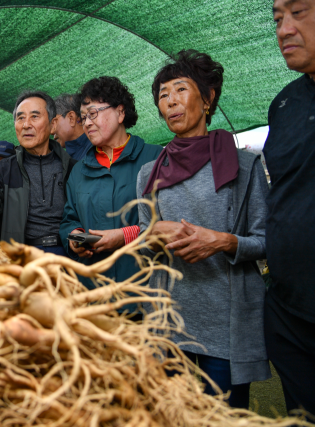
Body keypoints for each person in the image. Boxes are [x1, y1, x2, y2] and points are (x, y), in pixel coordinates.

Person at [136, 50, 270, 408]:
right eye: (163, 95)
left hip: (225, 325)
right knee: (170, 414)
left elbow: (267, 240)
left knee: (225, 415)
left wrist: (224, 241)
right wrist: (152, 236)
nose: (171, 101)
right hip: (169, 320)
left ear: (208, 99)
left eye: (181, 89)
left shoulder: (244, 166)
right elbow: (141, 240)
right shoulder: (148, 173)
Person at [59, 77, 162, 291]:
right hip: (94, 291)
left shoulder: (155, 159)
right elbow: (69, 220)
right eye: (83, 117)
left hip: (144, 290)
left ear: (120, 113)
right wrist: (76, 238)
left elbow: (172, 219)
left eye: (93, 114)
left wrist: (126, 236)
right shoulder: (78, 171)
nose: (87, 123)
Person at [263, 0, 315, 415]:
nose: (284, 29)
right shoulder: (284, 104)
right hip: (290, 309)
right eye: (278, 18)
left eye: (300, 12)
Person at [0, 91, 76, 254]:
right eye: (20, 118)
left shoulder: (72, 167)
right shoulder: (3, 169)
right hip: (20, 259)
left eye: (34, 116)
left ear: (53, 124)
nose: (26, 124)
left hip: (67, 256)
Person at [52, 93, 91, 161]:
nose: (52, 132)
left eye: (54, 122)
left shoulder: (96, 150)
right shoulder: (68, 159)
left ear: (71, 118)